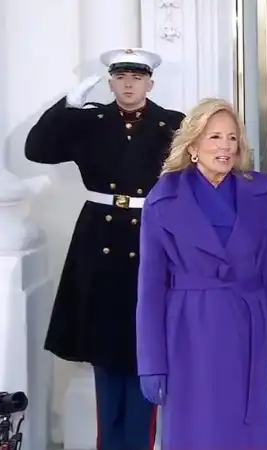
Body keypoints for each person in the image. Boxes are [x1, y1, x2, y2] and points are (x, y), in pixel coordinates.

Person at [25, 48, 184, 449]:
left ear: (151, 82)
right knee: (105, 350)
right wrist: (66, 107)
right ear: (111, 81)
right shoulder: (90, 121)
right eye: (121, 77)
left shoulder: (174, 124)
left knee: (147, 346)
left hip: (152, 236)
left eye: (137, 77)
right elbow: (37, 150)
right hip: (99, 241)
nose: (128, 84)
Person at [136, 98, 267, 450]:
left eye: (232, 138)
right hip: (189, 337)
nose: (225, 147)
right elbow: (150, 289)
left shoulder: (262, 197)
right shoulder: (163, 200)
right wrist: (151, 362)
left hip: (249, 333)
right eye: (214, 137)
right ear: (192, 145)